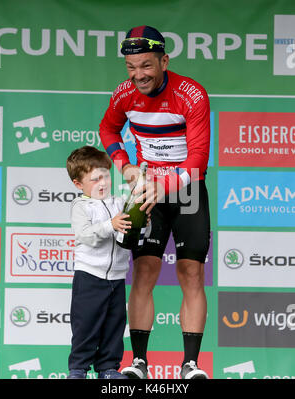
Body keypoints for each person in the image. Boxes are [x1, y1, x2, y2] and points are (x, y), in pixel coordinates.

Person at [99, 26, 211, 379]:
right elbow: (108, 130)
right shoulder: (123, 94)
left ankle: (190, 365)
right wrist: (125, 166)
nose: (138, 75)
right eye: (131, 68)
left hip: (186, 189)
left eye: (146, 66)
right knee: (144, 272)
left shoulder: (190, 94)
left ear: (164, 60)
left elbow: (197, 161)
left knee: (191, 273)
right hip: (147, 187)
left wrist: (164, 188)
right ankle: (139, 363)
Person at [66, 145, 132, 379]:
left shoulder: (119, 202)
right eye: (95, 179)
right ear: (78, 184)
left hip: (117, 276)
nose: (103, 182)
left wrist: (141, 219)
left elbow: (132, 229)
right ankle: (78, 369)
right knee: (86, 325)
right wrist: (110, 225)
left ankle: (108, 368)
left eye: (105, 175)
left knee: (114, 325)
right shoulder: (80, 206)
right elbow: (85, 235)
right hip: (89, 276)